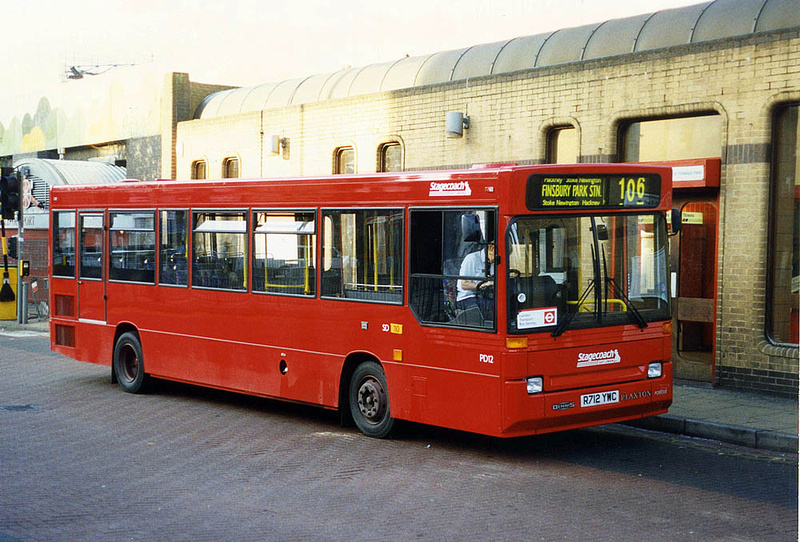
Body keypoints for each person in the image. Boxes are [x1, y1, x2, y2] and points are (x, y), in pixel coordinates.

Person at [457, 243, 495, 318]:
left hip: (484, 296)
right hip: (467, 297)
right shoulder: (472, 258)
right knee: (492, 306)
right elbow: (464, 284)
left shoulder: (493, 262)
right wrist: (481, 285)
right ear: (492, 249)